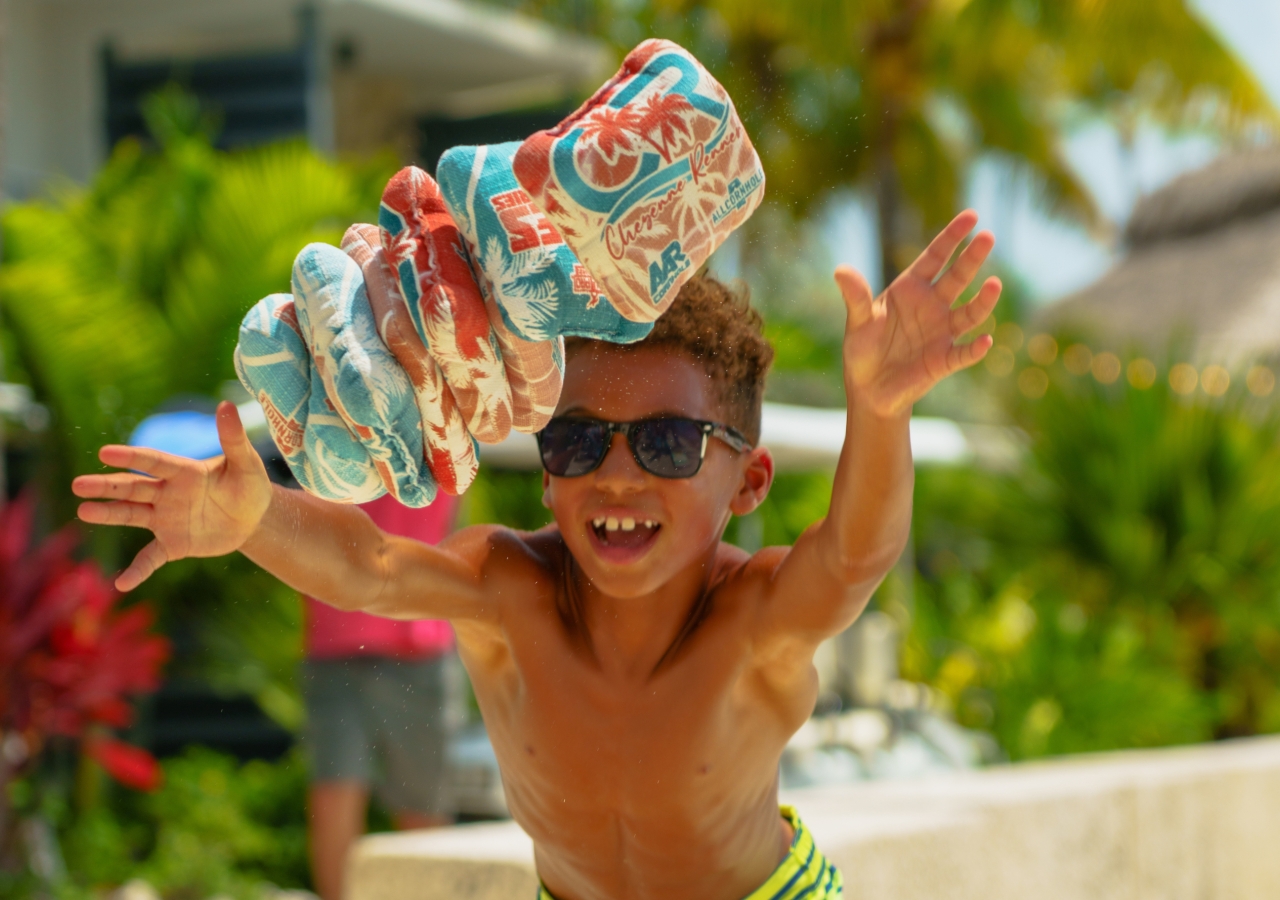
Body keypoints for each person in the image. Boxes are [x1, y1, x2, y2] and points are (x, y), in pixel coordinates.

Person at [73, 210, 1000, 900]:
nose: (620, 477)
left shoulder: (753, 617)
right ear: (547, 474)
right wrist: (252, 519)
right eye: (579, 442)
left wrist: (880, 415)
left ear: (749, 484)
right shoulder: (509, 589)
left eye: (670, 445)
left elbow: (853, 558)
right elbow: (370, 567)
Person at [301, 491, 459, 900]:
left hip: (347, 633)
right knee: (419, 804)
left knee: (341, 793)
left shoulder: (314, 434)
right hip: (408, 635)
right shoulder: (436, 436)